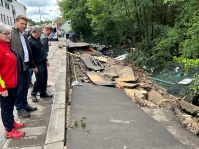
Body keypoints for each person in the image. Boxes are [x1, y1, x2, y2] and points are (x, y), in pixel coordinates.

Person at [0, 23, 25, 138]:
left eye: (9, 33)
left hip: (13, 83)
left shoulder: (7, 46)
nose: (9, 35)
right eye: (5, 34)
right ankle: (9, 130)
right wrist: (2, 88)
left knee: (10, 106)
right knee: (6, 107)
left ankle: (11, 122)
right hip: (6, 86)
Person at [10, 15, 38, 118]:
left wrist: (31, 64)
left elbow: (27, 51)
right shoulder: (11, 34)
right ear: (15, 22)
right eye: (22, 23)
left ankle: (25, 104)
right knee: (19, 88)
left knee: (26, 86)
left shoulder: (24, 35)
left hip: (26, 64)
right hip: (17, 66)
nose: (24, 26)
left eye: (25, 24)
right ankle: (19, 108)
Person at [29, 25, 53, 102]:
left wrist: (46, 60)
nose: (41, 33)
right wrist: (33, 66)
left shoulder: (38, 39)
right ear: (37, 32)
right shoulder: (30, 41)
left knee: (44, 78)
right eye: (40, 32)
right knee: (39, 79)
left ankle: (43, 92)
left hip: (42, 62)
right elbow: (29, 55)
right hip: (37, 63)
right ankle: (33, 93)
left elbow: (42, 51)